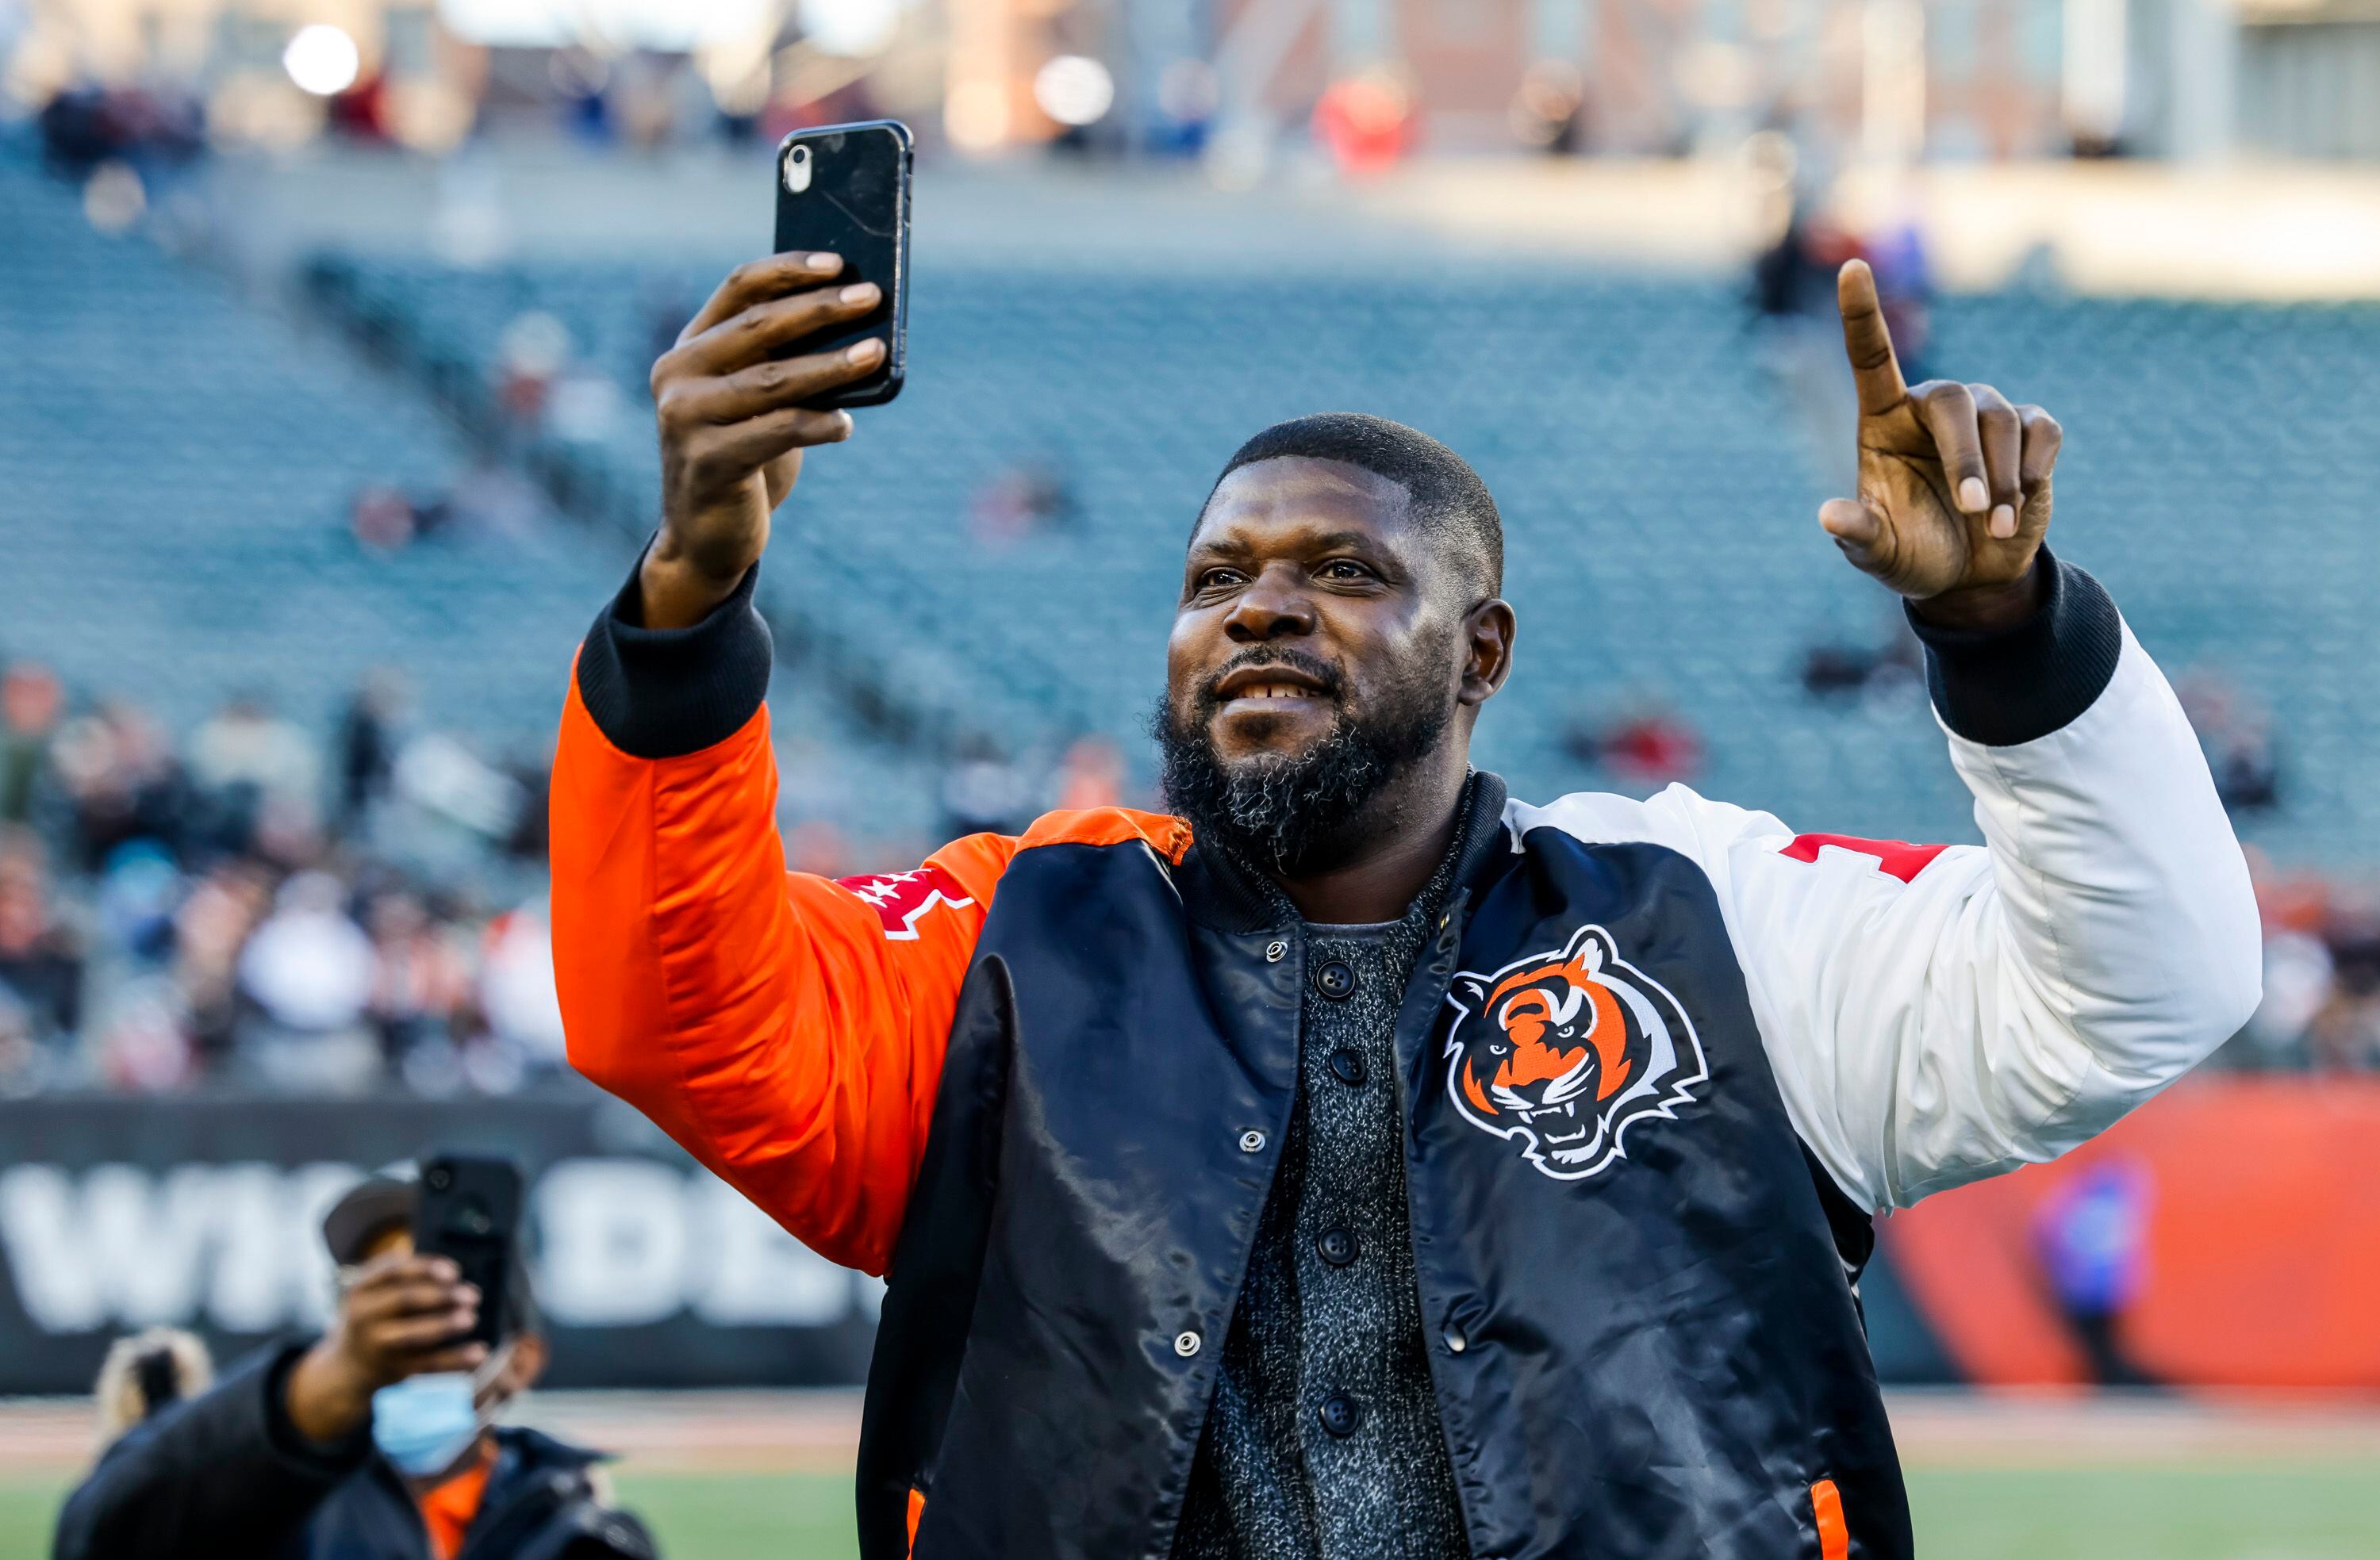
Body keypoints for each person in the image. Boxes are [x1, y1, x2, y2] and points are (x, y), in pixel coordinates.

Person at [547, 255, 2259, 1558]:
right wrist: (690, 602)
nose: (1262, 608)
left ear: (1483, 654)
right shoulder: (1022, 936)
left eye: (1347, 572)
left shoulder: (1702, 913)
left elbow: (2141, 983)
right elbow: (676, 1012)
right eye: (1218, 577)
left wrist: (2012, 638)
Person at [52, 1163, 657, 1560]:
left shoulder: (577, 1530)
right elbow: (96, 1542)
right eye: (373, 1293)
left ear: (521, 1359)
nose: (404, 1329)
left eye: (444, 1305)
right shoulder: (274, 1501)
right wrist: (290, 1407)